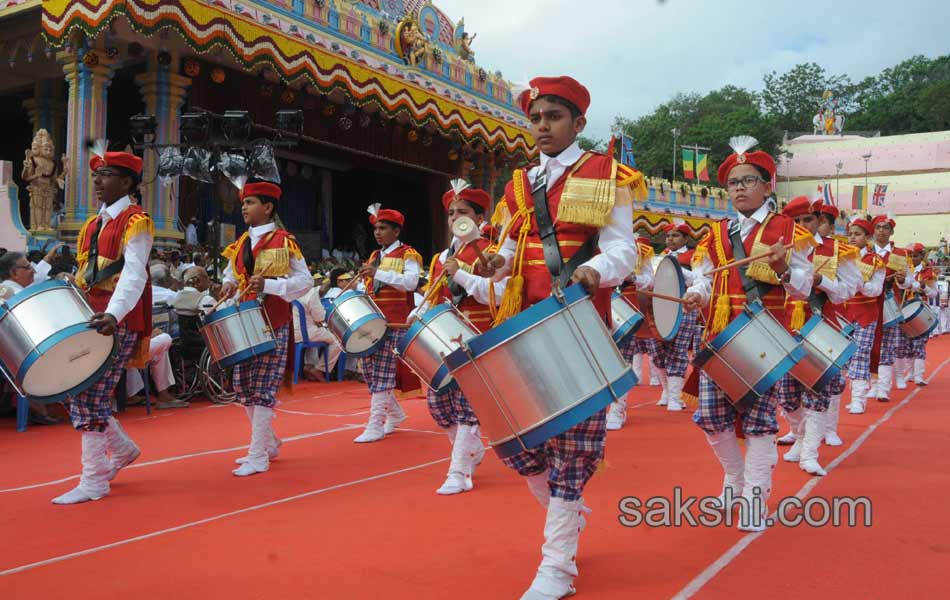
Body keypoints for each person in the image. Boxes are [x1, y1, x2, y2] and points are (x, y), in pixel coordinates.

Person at [484, 76, 643, 599]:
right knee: (515, 441)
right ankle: (569, 512)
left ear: (578, 124)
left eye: (553, 117)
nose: (542, 126)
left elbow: (625, 250)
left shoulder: (606, 173)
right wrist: (496, 260)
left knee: (572, 451)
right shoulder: (518, 184)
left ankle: (557, 567)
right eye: (536, 117)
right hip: (524, 327)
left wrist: (596, 270)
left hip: (579, 324)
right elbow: (513, 250)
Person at [681, 136, 816, 531]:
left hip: (764, 338)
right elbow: (704, 280)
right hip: (720, 336)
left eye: (748, 180)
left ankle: (756, 496)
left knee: (758, 423)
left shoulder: (787, 229)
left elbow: (804, 286)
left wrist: (784, 269)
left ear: (766, 185)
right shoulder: (716, 232)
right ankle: (734, 479)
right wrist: (693, 293)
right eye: (733, 182)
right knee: (710, 418)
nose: (739, 187)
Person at [51, 151, 153, 505]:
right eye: (96, 175)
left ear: (126, 182)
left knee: (90, 395)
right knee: (78, 390)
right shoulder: (94, 223)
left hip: (114, 319)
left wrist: (115, 313)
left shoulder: (135, 220)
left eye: (106, 175)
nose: (97, 181)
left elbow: (134, 272)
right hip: (91, 316)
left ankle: (94, 479)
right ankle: (120, 449)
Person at [414, 180, 506, 494]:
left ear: (480, 219)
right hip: (445, 336)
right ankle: (471, 451)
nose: (455, 218)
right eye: (451, 213)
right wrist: (421, 310)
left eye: (463, 212)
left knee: (468, 405)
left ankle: (458, 471)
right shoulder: (443, 255)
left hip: (479, 333)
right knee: (438, 405)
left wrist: (462, 274)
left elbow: (497, 294)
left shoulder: (493, 251)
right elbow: (435, 293)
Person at [218, 181, 313, 477]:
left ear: (268, 207)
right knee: (242, 386)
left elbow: (306, 282)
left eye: (250, 203)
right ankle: (268, 443)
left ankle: (257, 453)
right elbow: (231, 274)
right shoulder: (240, 244)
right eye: (243, 203)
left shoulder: (284, 241)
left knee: (261, 389)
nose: (244, 208)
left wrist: (271, 285)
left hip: (273, 321)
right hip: (244, 321)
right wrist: (228, 284)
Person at [775, 197, 860, 475]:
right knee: (786, 393)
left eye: (807, 220)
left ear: (819, 221)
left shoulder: (838, 250)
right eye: (795, 222)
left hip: (823, 326)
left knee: (818, 390)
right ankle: (800, 436)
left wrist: (822, 281)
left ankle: (810, 453)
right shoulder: (781, 249)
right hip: (785, 325)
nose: (801, 226)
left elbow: (848, 291)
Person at [352, 205, 422, 443]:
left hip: (394, 323)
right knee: (370, 372)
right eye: (376, 228)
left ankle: (375, 425)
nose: (377, 233)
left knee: (381, 371)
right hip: (372, 321)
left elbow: (411, 283)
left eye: (383, 228)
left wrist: (377, 273)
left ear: (396, 231)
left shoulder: (408, 253)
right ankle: (396, 413)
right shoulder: (375, 256)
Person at [0, 252, 63, 425]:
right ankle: (38, 408)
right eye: (27, 267)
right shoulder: (7, 291)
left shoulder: (15, 289)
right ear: (14, 273)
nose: (33, 272)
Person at [651, 219, 701, 412]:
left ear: (685, 238)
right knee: (656, 351)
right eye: (668, 236)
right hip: (660, 307)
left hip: (684, 306)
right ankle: (666, 390)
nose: (670, 239)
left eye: (675, 235)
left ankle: (674, 396)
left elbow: (698, 279)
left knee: (678, 350)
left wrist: (674, 270)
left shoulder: (694, 256)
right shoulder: (659, 256)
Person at [606, 235, 654, 430]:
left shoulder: (639, 249)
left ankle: (618, 408)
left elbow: (650, 281)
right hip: (592, 303)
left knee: (622, 361)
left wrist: (633, 278)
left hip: (623, 309)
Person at [840, 217, 886, 416]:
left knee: (860, 355)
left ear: (868, 237)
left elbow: (876, 290)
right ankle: (850, 395)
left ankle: (858, 399)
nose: (851, 238)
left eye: (857, 234)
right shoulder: (841, 257)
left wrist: (859, 283)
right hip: (842, 313)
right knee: (844, 358)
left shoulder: (875, 261)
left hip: (866, 314)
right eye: (850, 234)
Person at [866, 214, 914, 402]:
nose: (881, 231)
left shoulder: (901, 253)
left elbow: (909, 280)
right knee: (869, 345)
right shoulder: (866, 251)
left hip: (890, 304)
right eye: (878, 227)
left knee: (887, 346)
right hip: (867, 304)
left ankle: (884, 387)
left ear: (892, 231)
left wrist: (903, 281)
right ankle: (873, 383)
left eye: (886, 227)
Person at [895, 243, 938, 386]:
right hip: (903, 311)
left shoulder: (929, 272)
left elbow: (934, 293)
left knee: (919, 344)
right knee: (905, 345)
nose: (913, 258)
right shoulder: (903, 271)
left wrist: (925, 288)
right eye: (911, 256)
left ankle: (919, 375)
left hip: (920, 311)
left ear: (922, 256)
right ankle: (910, 374)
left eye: (916, 256)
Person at [292, 281, 342, 381]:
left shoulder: (291, 291)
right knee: (338, 341)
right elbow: (320, 317)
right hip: (307, 333)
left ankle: (308, 366)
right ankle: (320, 369)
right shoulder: (310, 292)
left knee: (319, 334)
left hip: (294, 333)